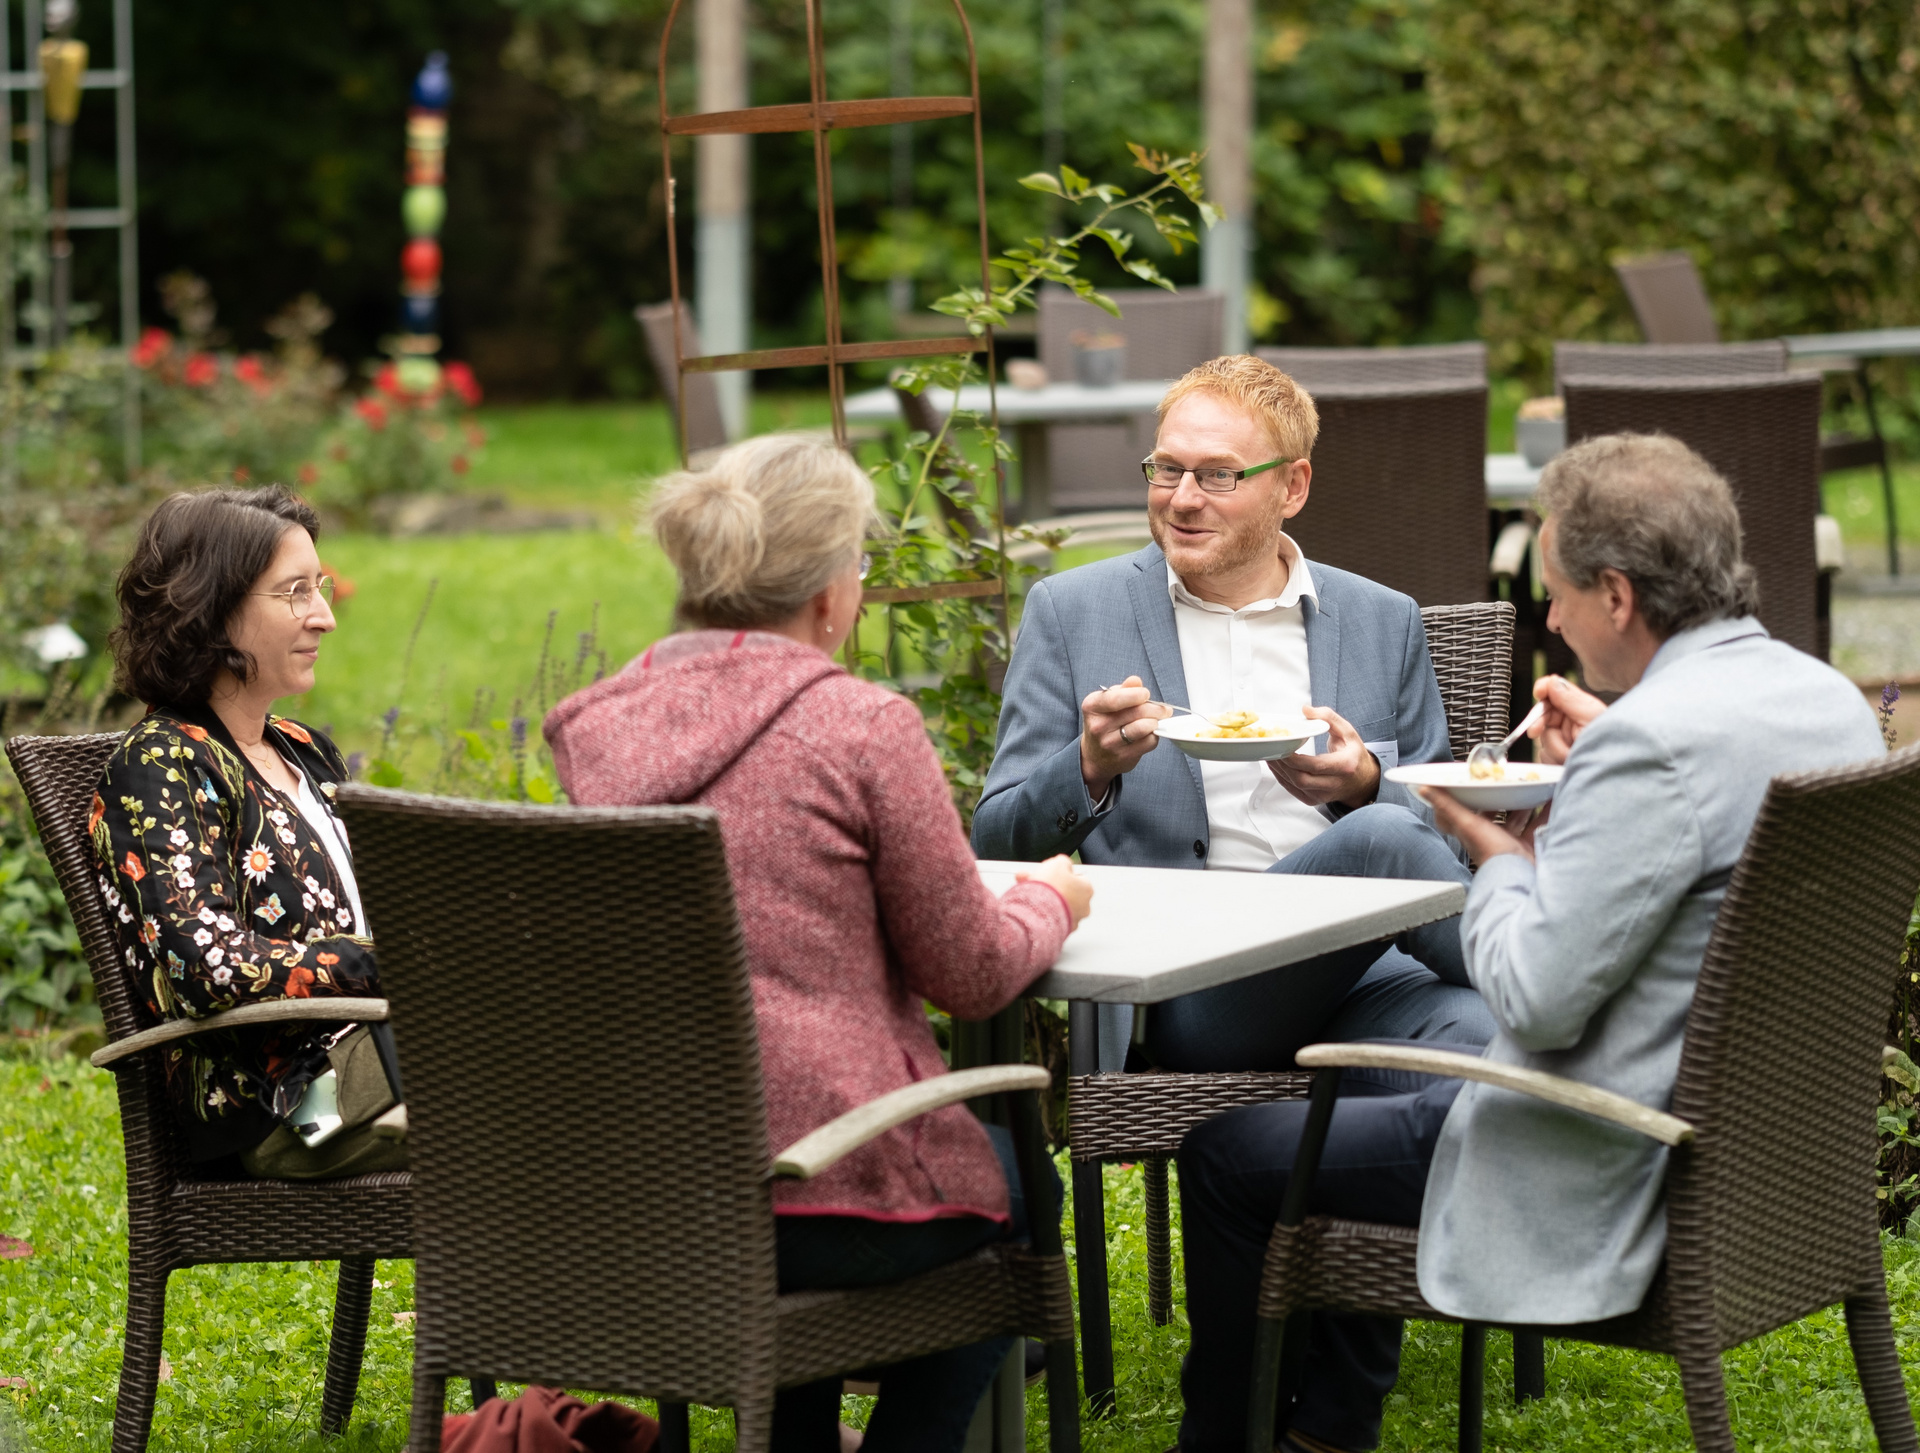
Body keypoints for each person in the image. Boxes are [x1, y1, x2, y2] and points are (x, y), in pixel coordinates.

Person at [1169, 432, 1887, 1453]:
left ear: (1618, 597)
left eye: (1556, 593)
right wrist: (1600, 782)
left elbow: (1534, 999)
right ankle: (1329, 1432)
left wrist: (1487, 843)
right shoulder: (1824, 700)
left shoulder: (1649, 748)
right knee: (1375, 1094)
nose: (1549, 618)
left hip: (1597, 1144)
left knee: (1229, 1157)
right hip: (1771, 1154)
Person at [543, 433, 1093, 1453]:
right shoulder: (858, 727)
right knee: (1018, 1190)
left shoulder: (597, 724)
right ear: (833, 595)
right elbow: (970, 972)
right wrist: (1052, 899)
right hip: (818, 1185)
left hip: (641, 1185)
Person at [974, 353, 1489, 1073]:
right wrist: (1088, 769)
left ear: (1293, 486)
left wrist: (1365, 782)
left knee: (1489, 1042)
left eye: (1218, 475)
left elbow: (1450, 852)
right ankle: (1547, 973)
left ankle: (1267, 1177)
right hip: (1191, 980)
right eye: (1166, 469)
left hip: (1369, 972)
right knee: (1379, 840)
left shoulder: (1382, 618)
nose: (1183, 499)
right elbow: (995, 846)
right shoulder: (1071, 613)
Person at [90, 485, 404, 1179]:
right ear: (210, 610)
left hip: (380, 1059)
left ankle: (507, 1292)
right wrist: (393, 961)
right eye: (295, 592)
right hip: (288, 1104)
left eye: (319, 588)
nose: (323, 616)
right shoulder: (160, 766)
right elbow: (208, 970)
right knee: (539, 1072)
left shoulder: (302, 749)